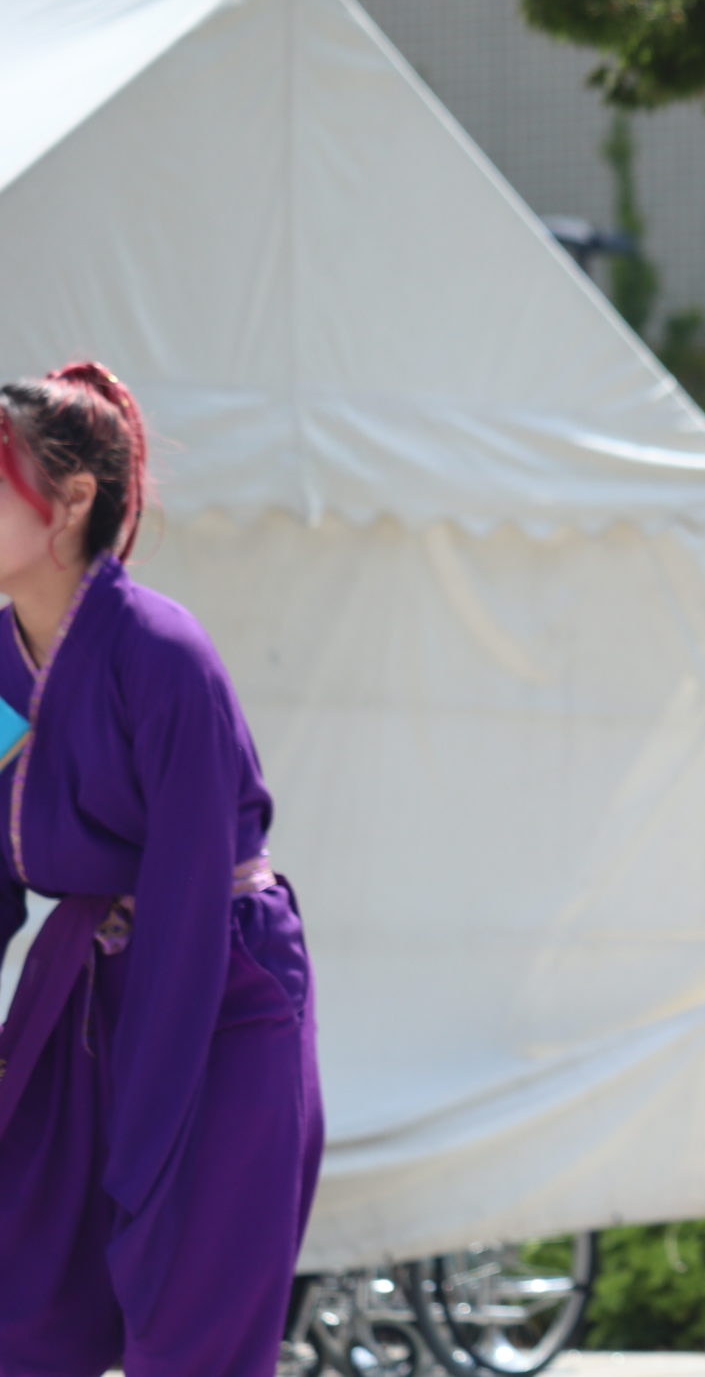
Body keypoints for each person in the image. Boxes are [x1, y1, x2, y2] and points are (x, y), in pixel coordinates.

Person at [0, 363, 322, 1377]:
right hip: (84, 992)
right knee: (23, 1300)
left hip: (219, 993)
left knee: (192, 1322)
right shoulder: (0, 666)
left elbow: (186, 899)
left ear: (70, 501)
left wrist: (145, 1136)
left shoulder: (161, 654)